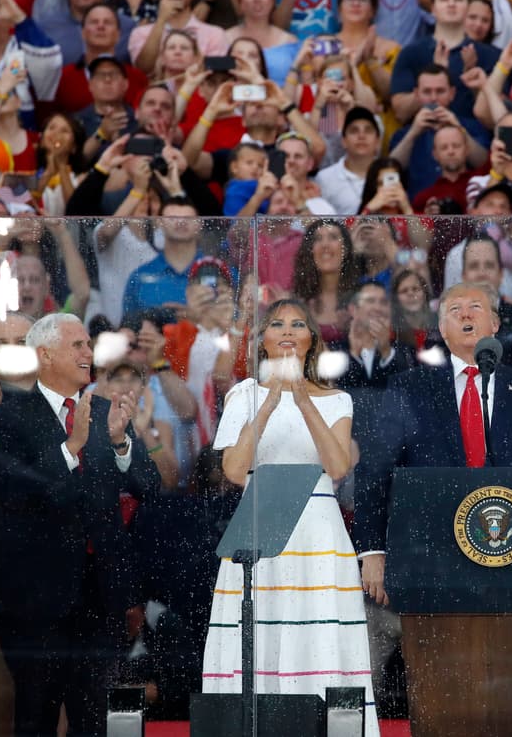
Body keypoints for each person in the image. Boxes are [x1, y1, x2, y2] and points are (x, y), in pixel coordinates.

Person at [0, 313, 160, 737]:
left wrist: (119, 443)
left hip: (101, 597)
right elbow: (21, 492)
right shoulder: (6, 418)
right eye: (77, 345)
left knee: (94, 719)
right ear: (44, 354)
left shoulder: (105, 412)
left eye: (88, 346)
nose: (88, 354)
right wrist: (72, 449)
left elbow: (149, 486)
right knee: (36, 716)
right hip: (37, 599)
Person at [200, 298, 379, 731]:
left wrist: (302, 400)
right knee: (259, 629)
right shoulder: (244, 394)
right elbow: (233, 469)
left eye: (298, 324)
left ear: (311, 341)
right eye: (276, 323)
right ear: (262, 340)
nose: (287, 330)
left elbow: (337, 468)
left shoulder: (338, 399)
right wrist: (268, 402)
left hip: (318, 531)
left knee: (317, 632)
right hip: (261, 523)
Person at [355, 281, 512, 605]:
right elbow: (375, 472)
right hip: (430, 558)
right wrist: (373, 551)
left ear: (495, 324)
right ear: (442, 329)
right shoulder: (408, 388)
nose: (466, 314)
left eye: (476, 307)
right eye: (455, 310)